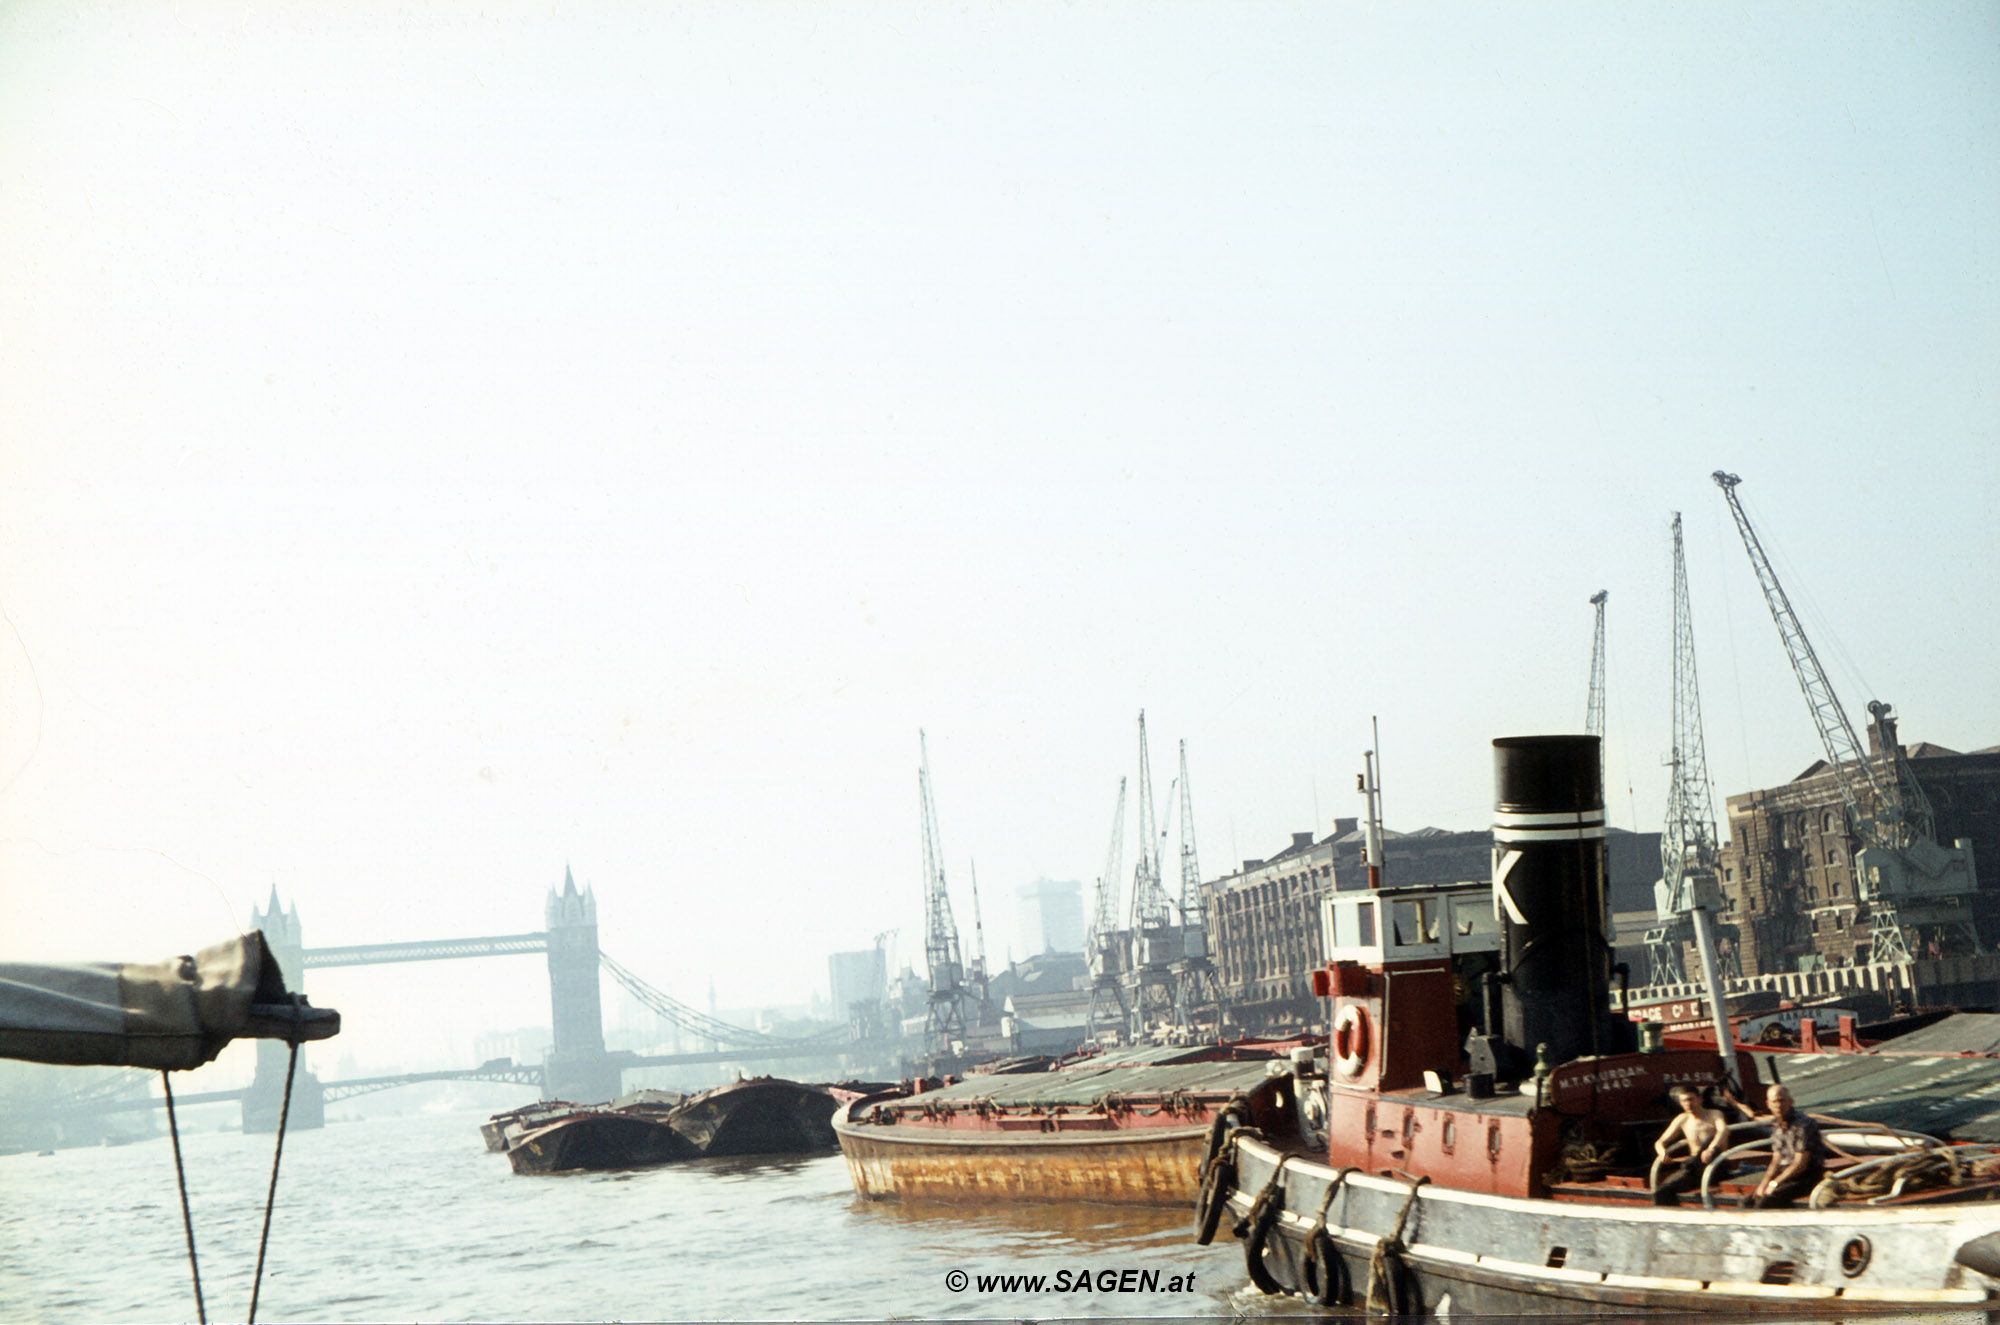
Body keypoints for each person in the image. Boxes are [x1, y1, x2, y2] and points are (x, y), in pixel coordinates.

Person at [1651, 1084, 1730, 1206]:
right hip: (1694, 1169)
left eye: (1690, 1099)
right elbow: (1660, 1142)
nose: (1688, 1104)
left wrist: (1711, 1148)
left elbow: (1723, 1131)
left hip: (1715, 1164)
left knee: (1709, 1140)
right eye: (1683, 1101)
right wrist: (1662, 1153)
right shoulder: (1682, 1119)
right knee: (1662, 1191)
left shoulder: (1714, 1114)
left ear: (1700, 1099)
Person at [1752, 1083, 1826, 1209]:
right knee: (1748, 1202)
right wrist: (1764, 1183)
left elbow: (1800, 1164)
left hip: (1807, 1176)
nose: (1778, 1105)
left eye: (1782, 1101)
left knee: (1764, 1204)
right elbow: (1776, 1159)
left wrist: (1775, 1183)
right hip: (1786, 1175)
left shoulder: (1803, 1125)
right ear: (1768, 1104)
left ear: (1790, 1102)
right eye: (1774, 1102)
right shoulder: (1776, 1124)